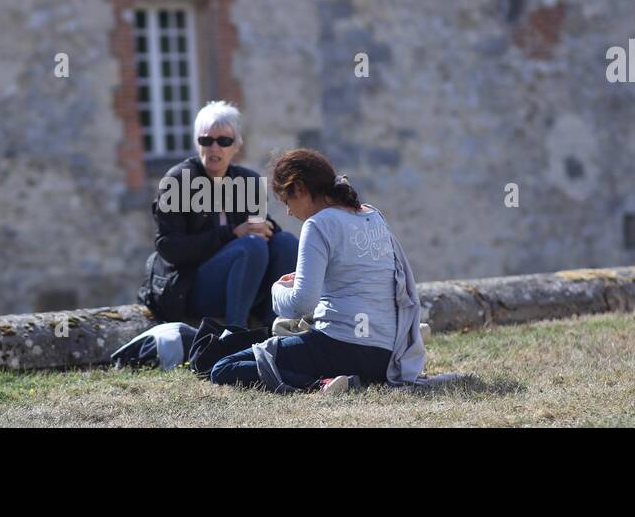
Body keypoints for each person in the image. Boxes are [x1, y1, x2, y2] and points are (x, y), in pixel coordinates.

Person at [208, 148, 425, 393]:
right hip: (384, 356)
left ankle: (320, 384)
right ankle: (339, 378)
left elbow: (301, 305)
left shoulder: (318, 224)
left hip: (339, 344)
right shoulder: (373, 215)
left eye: (287, 201)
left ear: (299, 188)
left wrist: (277, 289)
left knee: (224, 367)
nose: (289, 211)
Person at [138, 101, 299, 328]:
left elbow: (259, 231)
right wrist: (231, 234)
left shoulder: (248, 181)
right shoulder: (177, 180)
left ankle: (274, 325)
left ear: (236, 146)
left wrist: (266, 228)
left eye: (224, 141)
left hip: (243, 280)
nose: (215, 148)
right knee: (251, 245)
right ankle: (235, 332)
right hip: (188, 288)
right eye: (207, 140)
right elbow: (168, 248)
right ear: (197, 143)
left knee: (286, 242)